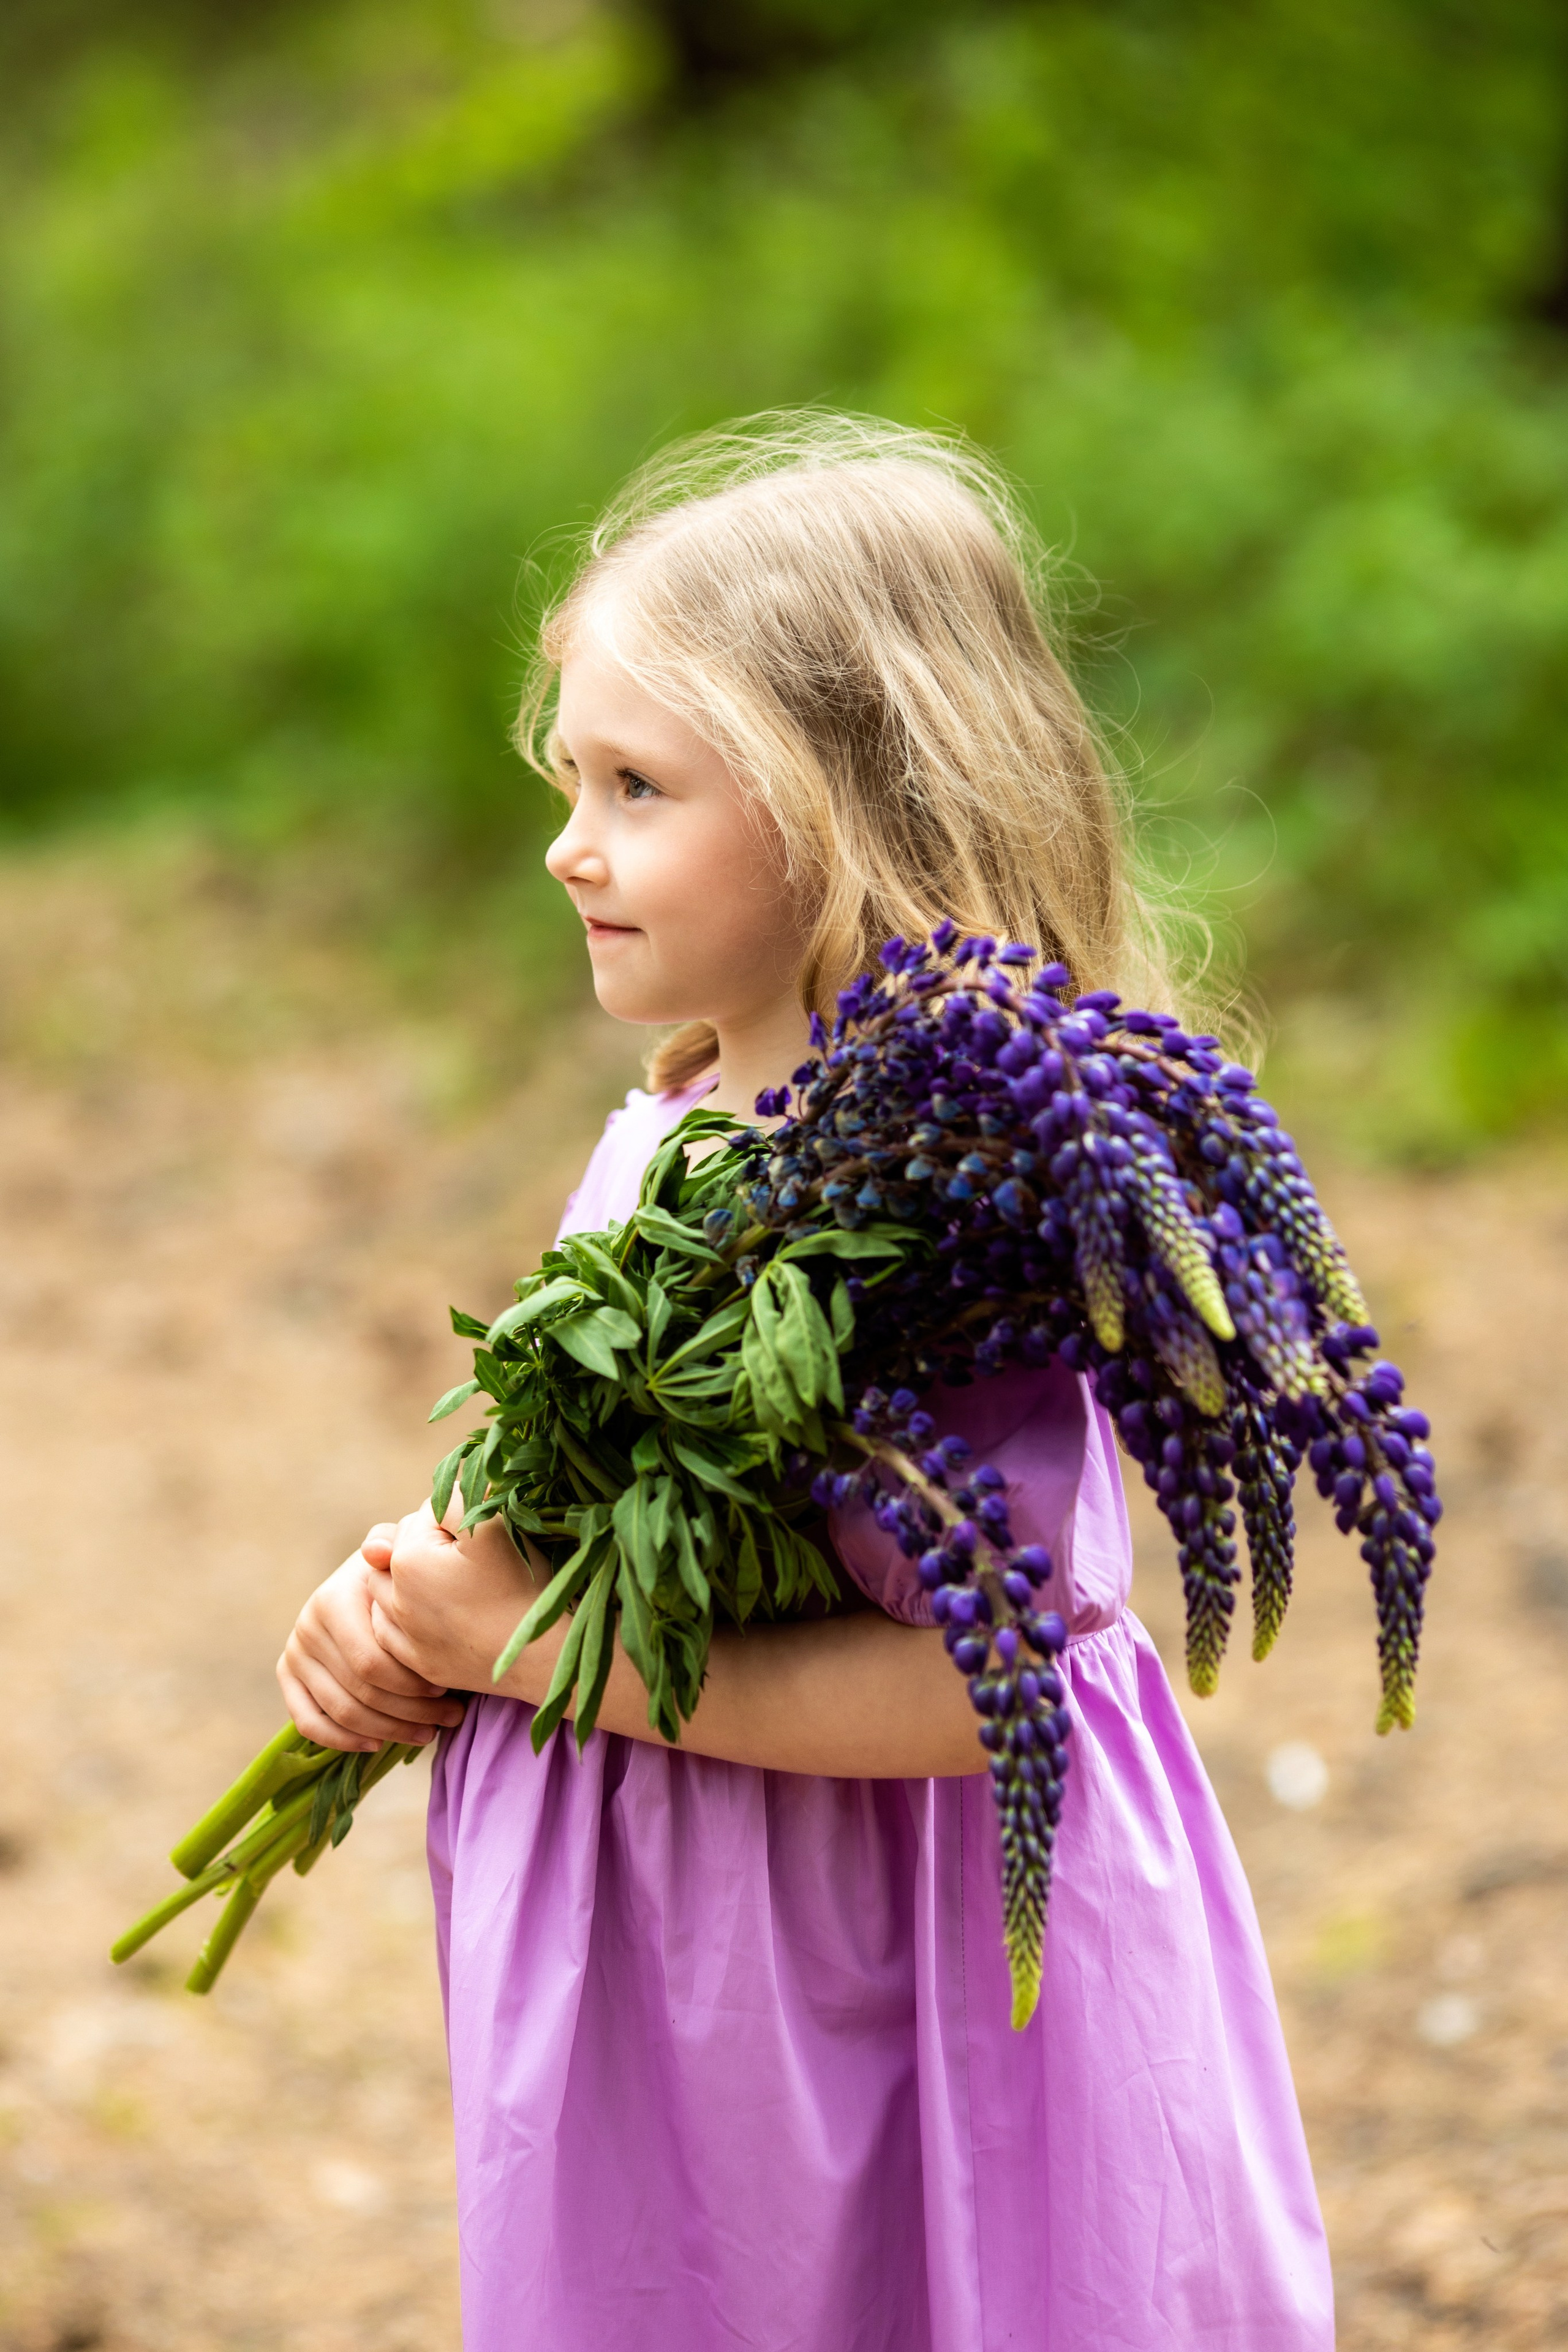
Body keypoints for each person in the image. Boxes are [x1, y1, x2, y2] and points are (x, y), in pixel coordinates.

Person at [277, 413, 1335, 2350]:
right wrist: (400, 1602)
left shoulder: (955, 1207)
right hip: (683, 1986)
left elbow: (987, 1686)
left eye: (637, 785)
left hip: (877, 1988)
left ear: (846, 806)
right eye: (568, 775)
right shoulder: (677, 1114)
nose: (568, 841)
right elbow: (578, 1486)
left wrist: (530, 1648)